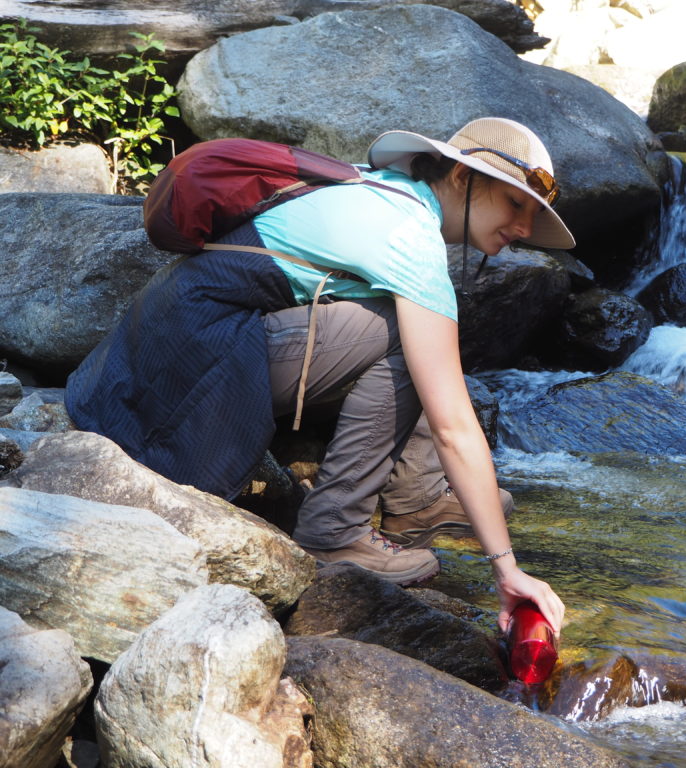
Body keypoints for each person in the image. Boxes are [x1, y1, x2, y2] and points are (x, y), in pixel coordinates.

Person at [65, 117, 571, 634]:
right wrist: (506, 568)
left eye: (533, 214)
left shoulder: (384, 192)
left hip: (165, 333)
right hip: (192, 353)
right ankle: (335, 530)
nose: (526, 230)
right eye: (516, 204)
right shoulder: (409, 236)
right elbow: (452, 425)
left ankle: (416, 500)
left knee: (423, 333)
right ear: (463, 179)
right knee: (409, 334)